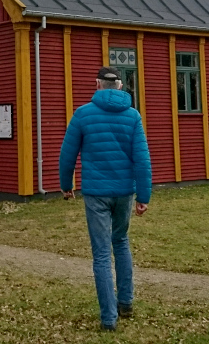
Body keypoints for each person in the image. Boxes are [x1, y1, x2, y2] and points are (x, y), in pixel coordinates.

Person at [59, 66, 152, 332]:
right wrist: (143, 196)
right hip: (125, 192)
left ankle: (108, 318)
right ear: (120, 87)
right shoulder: (133, 116)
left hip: (96, 194)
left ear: (97, 84)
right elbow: (142, 158)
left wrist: (66, 186)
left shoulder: (83, 114)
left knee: (101, 254)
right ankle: (126, 302)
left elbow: (67, 154)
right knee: (121, 242)